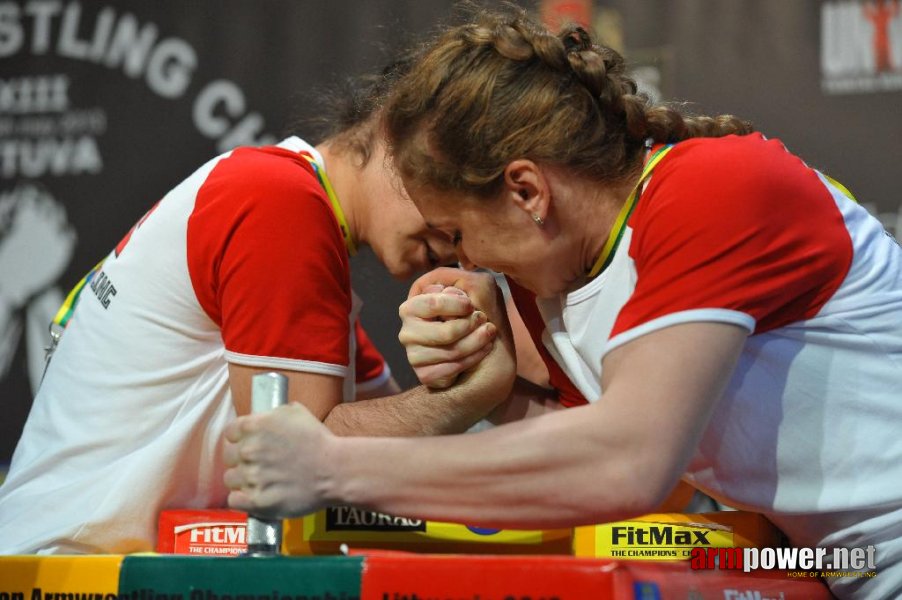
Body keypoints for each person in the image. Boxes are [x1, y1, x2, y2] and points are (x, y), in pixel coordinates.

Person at [221, 8, 902, 599]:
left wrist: (333, 468)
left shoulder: (715, 187)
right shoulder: (551, 284)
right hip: (838, 570)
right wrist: (486, 389)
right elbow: (596, 474)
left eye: (458, 234)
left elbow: (627, 462)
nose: (464, 263)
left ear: (526, 191)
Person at [0, 61, 513, 555]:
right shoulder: (278, 198)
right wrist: (469, 394)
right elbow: (300, 454)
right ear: (387, 131)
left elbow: (401, 455)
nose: (460, 236)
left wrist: (464, 374)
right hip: (66, 567)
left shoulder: (302, 241)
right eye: (451, 184)